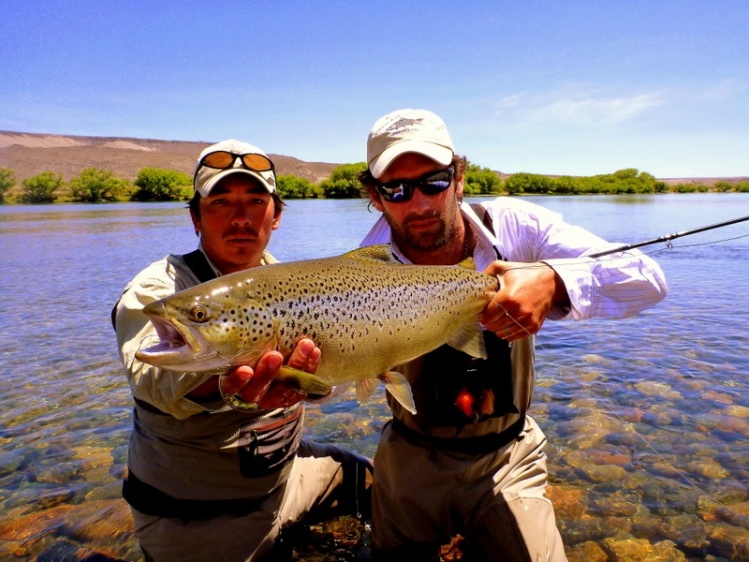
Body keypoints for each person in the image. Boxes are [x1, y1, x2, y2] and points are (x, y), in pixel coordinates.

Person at [357, 109, 668, 561]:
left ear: (459, 179)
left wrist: (552, 279)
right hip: (409, 456)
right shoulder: (359, 272)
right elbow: (331, 380)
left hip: (508, 457)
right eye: (397, 190)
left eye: (434, 182)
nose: (420, 204)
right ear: (376, 197)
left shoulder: (516, 227)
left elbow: (647, 279)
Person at [114, 139, 371, 562]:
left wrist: (319, 382)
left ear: (276, 216)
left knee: (377, 482)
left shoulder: (285, 281)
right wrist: (222, 387)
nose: (240, 218)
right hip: (195, 519)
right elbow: (153, 383)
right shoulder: (159, 290)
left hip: (284, 487)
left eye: (255, 200)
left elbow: (325, 380)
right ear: (195, 217)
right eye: (220, 202)